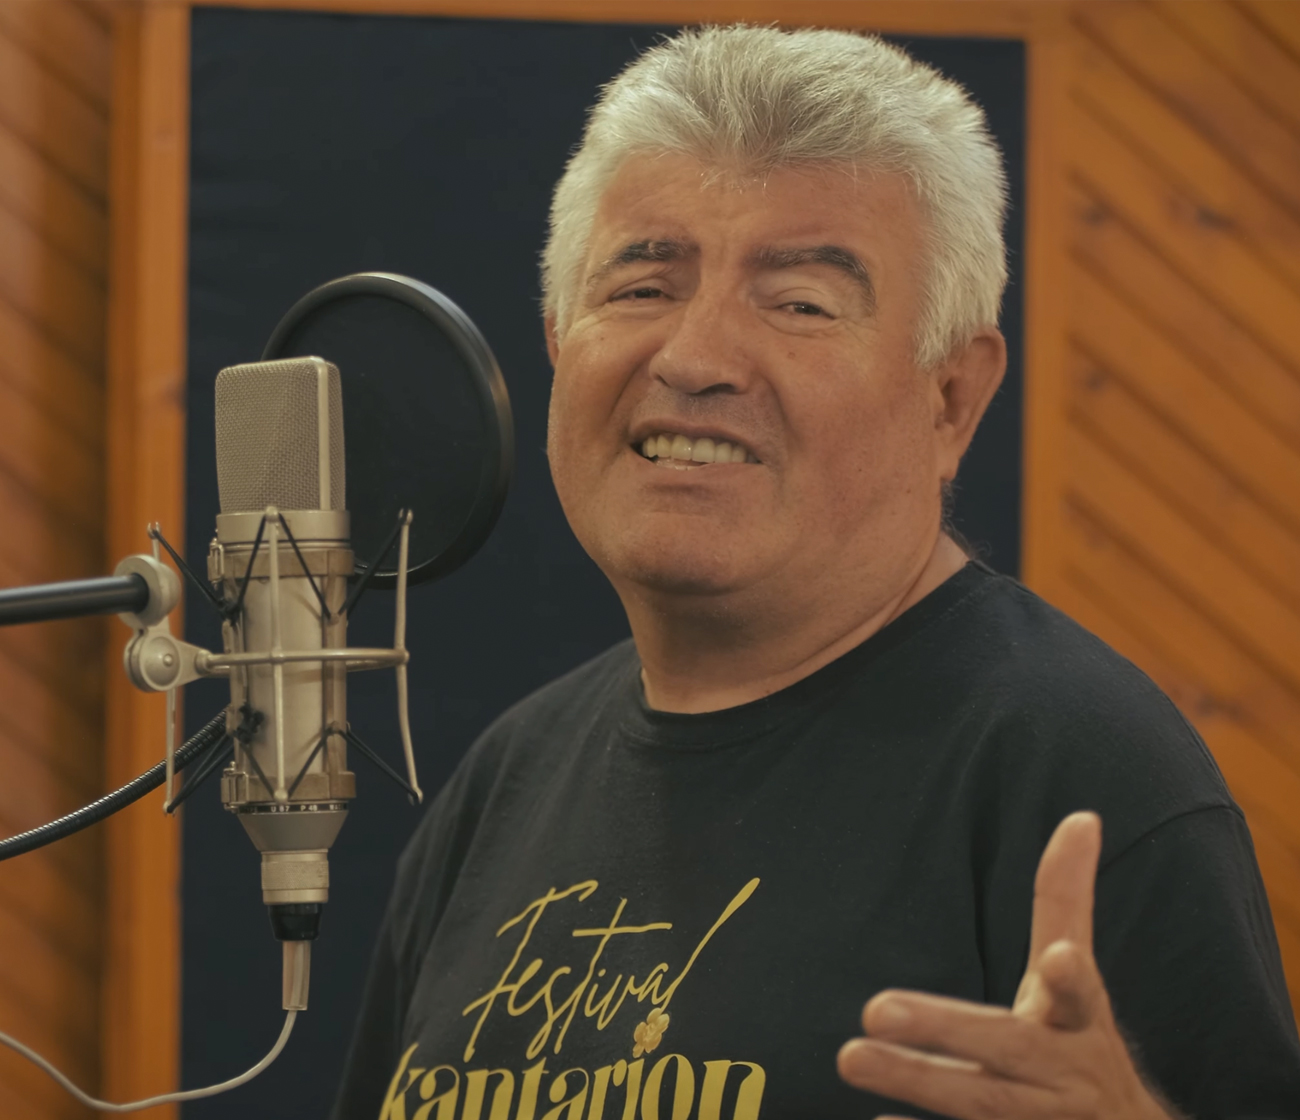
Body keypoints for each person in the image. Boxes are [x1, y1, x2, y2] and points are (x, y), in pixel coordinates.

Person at [333, 26, 1300, 1120]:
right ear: (558, 344)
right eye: (643, 285)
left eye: (798, 303)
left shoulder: (1077, 771)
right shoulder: (505, 782)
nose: (694, 358)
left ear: (951, 398)